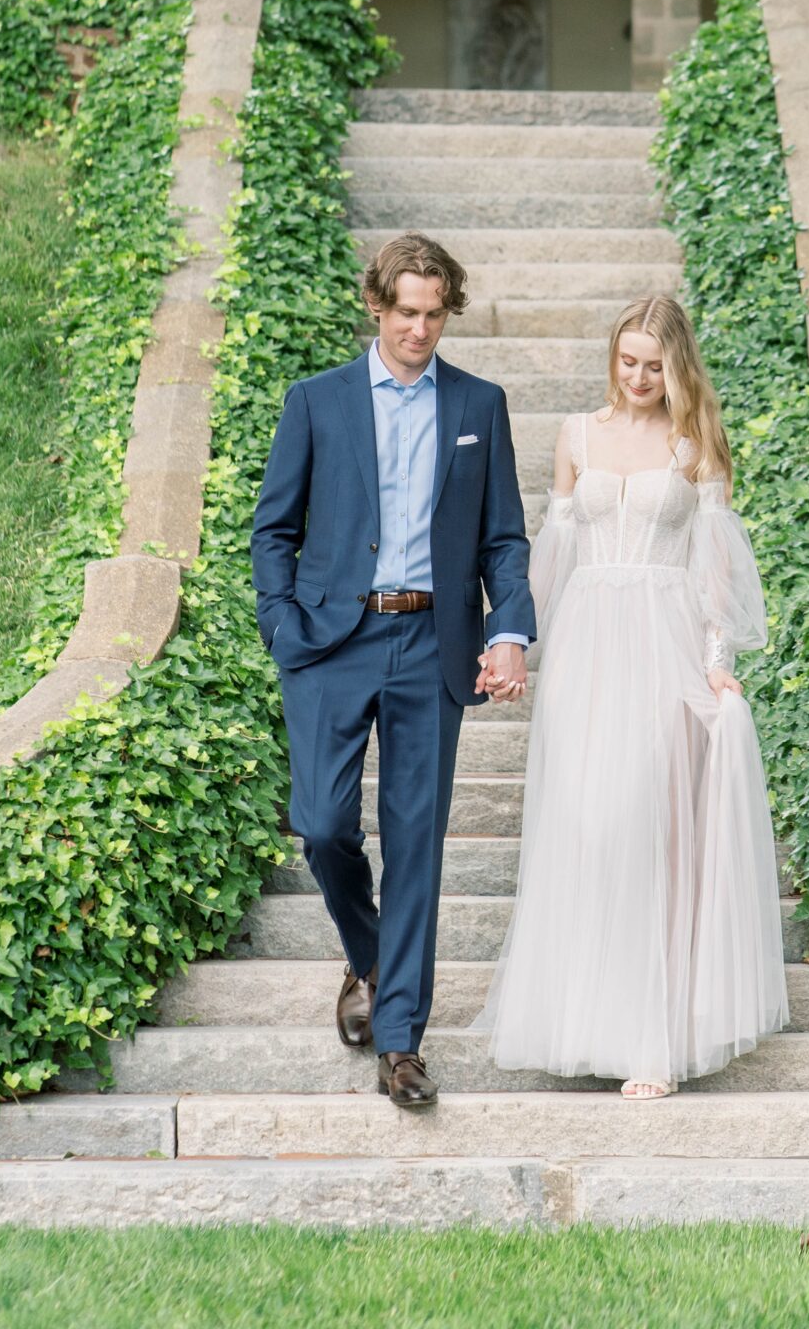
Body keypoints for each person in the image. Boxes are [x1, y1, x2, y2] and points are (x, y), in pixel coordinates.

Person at [474, 293, 789, 1096]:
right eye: (627, 361)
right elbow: (554, 548)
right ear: (612, 358)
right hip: (585, 644)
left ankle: (654, 1042)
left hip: (663, 641)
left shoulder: (695, 447)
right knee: (584, 819)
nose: (639, 376)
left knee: (647, 820)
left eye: (654, 364)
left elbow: (713, 565)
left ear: (675, 364)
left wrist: (717, 662)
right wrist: (510, 641)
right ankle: (581, 1023)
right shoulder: (576, 434)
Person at [251, 232, 536, 1110]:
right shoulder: (317, 401)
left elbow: (503, 537)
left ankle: (402, 1042)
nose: (419, 329)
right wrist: (282, 625)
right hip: (332, 643)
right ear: (376, 306)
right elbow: (273, 530)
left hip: (430, 647)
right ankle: (370, 955)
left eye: (434, 313)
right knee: (321, 822)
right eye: (405, 312)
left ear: (448, 310)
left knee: (416, 844)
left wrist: (509, 632)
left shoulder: (478, 406)